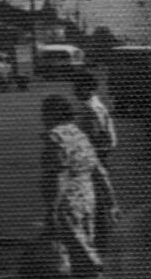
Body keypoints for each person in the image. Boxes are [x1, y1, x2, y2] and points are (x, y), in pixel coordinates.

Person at [38, 94, 117, 278]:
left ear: (52, 114)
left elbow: (61, 174)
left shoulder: (55, 137)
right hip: (88, 198)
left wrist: (53, 207)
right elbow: (99, 171)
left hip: (68, 202)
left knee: (82, 251)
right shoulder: (80, 134)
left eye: (44, 113)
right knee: (81, 246)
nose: (42, 117)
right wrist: (112, 201)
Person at [73, 72, 118, 251]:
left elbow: (98, 138)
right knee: (97, 202)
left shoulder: (92, 109)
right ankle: (100, 242)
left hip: (94, 159)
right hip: (96, 158)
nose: (75, 90)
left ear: (89, 88)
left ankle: (101, 245)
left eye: (78, 86)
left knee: (97, 203)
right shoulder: (92, 106)